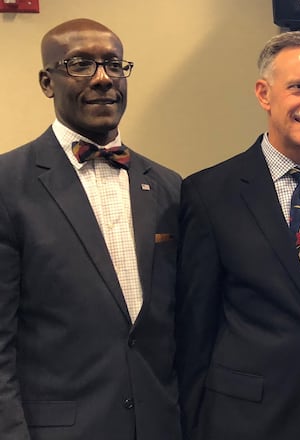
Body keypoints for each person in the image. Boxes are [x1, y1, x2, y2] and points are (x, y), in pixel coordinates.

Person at [175, 30, 300, 440]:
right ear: (264, 94)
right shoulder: (210, 193)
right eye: (298, 88)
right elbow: (194, 329)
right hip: (250, 418)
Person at [0, 18, 182, 440]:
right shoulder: (8, 184)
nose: (103, 79)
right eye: (81, 64)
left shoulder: (169, 186)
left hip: (160, 424)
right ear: (47, 82)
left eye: (114, 65)